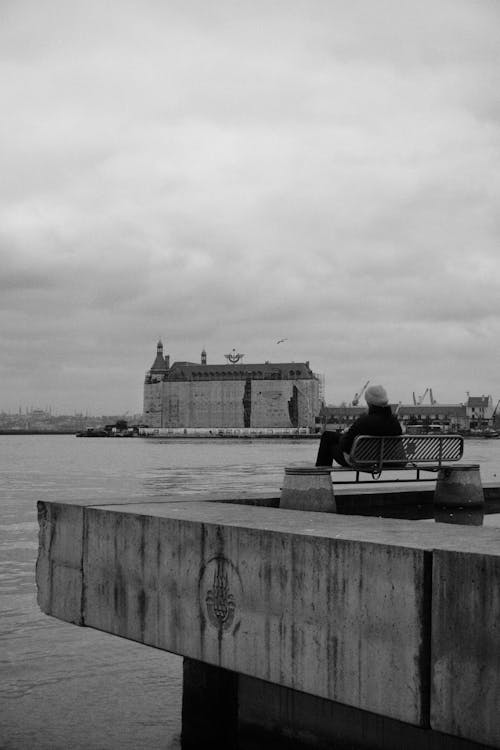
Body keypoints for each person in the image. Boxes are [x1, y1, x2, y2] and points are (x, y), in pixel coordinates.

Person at [315, 384, 402, 467]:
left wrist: (346, 434)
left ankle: (321, 476)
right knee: (331, 436)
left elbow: (345, 445)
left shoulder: (364, 421)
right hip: (380, 458)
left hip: (359, 460)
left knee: (327, 437)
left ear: (369, 403)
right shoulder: (395, 422)